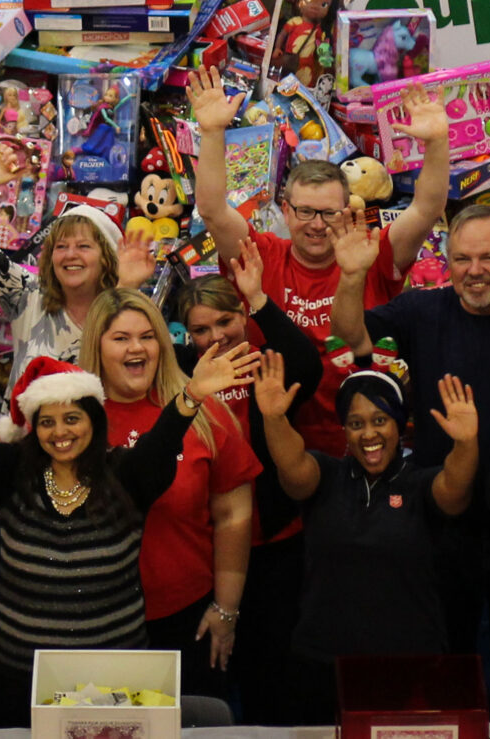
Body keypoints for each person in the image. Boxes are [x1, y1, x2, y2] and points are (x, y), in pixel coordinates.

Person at [0, 342, 259, 720]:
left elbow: (161, 444)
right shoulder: (12, 473)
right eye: (47, 421)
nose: (59, 432)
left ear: (94, 421)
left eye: (72, 419)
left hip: (117, 673)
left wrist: (192, 394)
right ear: (34, 428)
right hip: (22, 677)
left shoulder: (126, 476)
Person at [334, 204, 490, 653]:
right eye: (461, 259)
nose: (474, 271)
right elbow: (353, 337)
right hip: (444, 512)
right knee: (446, 649)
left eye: (488, 257)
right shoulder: (422, 309)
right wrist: (352, 277)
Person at [190, 66, 451, 452]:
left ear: (350, 210)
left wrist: (438, 142)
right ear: (286, 211)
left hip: (364, 445)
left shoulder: (371, 254)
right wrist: (212, 133)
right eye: (306, 212)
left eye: (329, 213)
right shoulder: (260, 256)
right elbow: (212, 210)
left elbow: (427, 208)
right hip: (277, 443)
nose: (317, 225)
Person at [257, 353, 481, 723]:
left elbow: (455, 488)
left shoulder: (419, 483)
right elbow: (293, 467)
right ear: (344, 431)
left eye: (380, 421)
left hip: (411, 666)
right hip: (323, 664)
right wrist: (274, 418)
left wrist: (466, 444)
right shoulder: (325, 476)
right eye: (356, 423)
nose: (369, 434)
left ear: (399, 424)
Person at [77, 287, 258, 702]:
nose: (136, 348)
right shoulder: (69, 417)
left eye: (147, 336)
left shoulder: (204, 408)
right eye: (120, 338)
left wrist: (226, 611)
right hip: (92, 620)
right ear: (97, 346)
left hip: (187, 617)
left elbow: (234, 514)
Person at [178, 242, 333, 725]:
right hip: (210, 551)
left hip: (277, 545)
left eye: (226, 322)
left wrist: (260, 298)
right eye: (201, 329)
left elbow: (309, 367)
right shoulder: (182, 371)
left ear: (242, 317)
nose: (216, 336)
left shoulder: (270, 358)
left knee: (275, 678)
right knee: (213, 675)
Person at [0, 198, 157, 373]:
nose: (70, 254)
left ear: (107, 257)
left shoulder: (133, 316)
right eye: (61, 246)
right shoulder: (28, 294)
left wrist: (124, 288)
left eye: (83, 246)